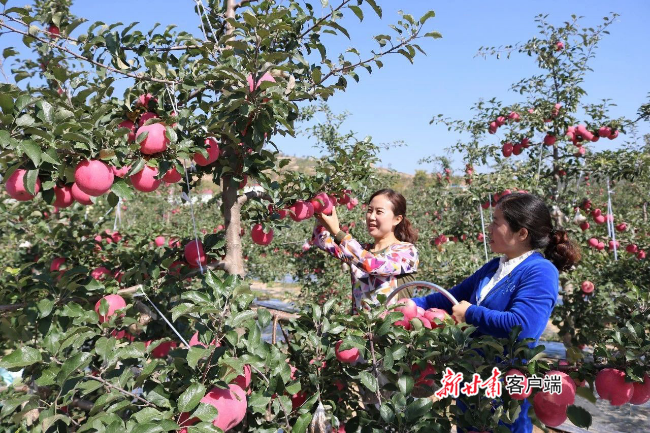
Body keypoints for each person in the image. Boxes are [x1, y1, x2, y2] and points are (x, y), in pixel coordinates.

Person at [412, 192, 581, 433]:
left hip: (503, 390)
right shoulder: (495, 267)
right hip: (472, 384)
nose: (488, 228)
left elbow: (523, 326)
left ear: (522, 233)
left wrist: (471, 313)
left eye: (496, 221)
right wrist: (408, 306)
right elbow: (448, 297)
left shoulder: (540, 271)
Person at [312, 188, 419, 314]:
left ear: (397, 219)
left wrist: (337, 232)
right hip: (357, 332)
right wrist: (324, 205)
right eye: (369, 210)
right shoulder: (360, 251)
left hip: (390, 332)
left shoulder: (407, 252)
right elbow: (321, 241)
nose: (371, 217)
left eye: (379, 212)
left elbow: (371, 264)